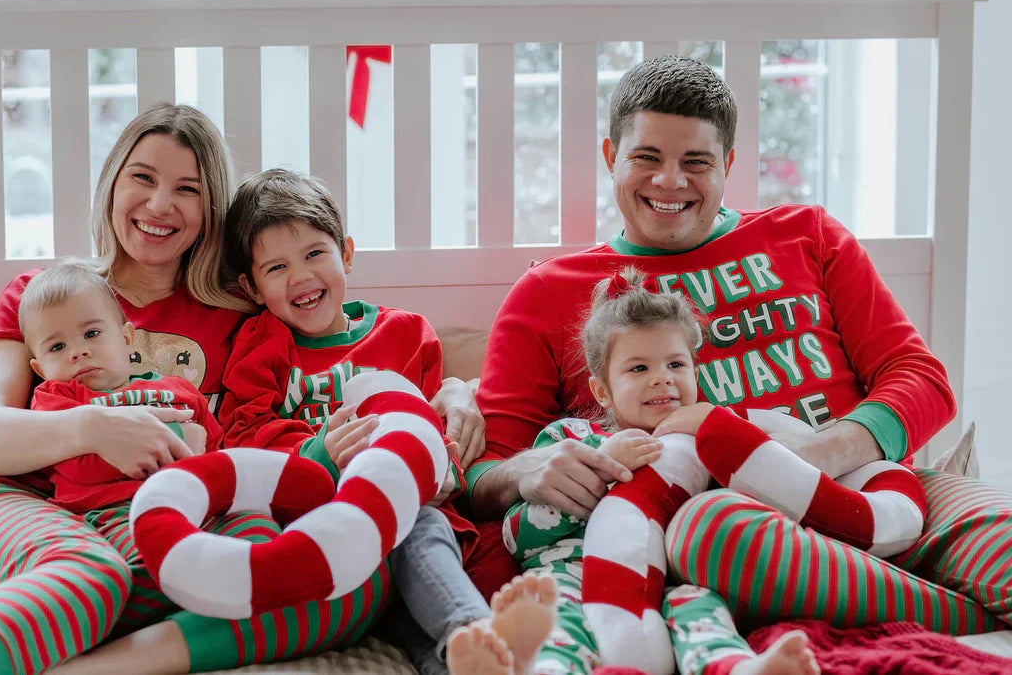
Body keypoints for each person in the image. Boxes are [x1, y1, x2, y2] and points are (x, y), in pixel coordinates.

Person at [466, 55, 1012, 672]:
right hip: (727, 529)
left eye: (695, 161)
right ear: (609, 155)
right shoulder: (549, 292)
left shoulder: (807, 233)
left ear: (727, 166)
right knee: (712, 531)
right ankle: (956, 615)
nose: (670, 182)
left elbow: (922, 379)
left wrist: (819, 458)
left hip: (882, 494)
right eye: (647, 157)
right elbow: (485, 474)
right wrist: (534, 469)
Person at [0, 103, 482, 675]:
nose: (160, 204)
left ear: (209, 209)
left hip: (154, 530)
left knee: (342, 579)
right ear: (112, 183)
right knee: (89, 574)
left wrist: (453, 390)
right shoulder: (46, 295)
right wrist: (96, 427)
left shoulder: (242, 317)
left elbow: (348, 353)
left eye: (187, 189)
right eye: (142, 178)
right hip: (22, 510)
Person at [209, 169, 555, 675]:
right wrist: (318, 455)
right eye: (277, 267)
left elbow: (438, 432)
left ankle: (475, 645)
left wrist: (440, 469)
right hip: (318, 520)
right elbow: (241, 436)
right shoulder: (261, 346)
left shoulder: (405, 334)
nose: (301, 277)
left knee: (422, 553)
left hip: (409, 517)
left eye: (314, 254)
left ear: (346, 253)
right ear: (252, 286)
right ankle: (475, 631)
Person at [499, 266, 820, 675]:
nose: (661, 380)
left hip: (669, 578)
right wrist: (598, 473)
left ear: (695, 373)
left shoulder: (710, 447)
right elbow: (515, 537)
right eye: (639, 369)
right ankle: (547, 668)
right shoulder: (573, 439)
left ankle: (738, 668)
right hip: (574, 574)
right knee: (555, 618)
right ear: (603, 391)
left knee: (701, 609)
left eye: (675, 365)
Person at [19, 260, 221, 513]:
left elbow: (212, 443)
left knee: (255, 528)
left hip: (195, 500)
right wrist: (178, 438)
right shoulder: (57, 399)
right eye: (57, 347)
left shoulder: (177, 389)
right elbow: (75, 465)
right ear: (40, 370)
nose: (79, 352)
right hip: (113, 510)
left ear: (126, 338)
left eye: (91, 334)